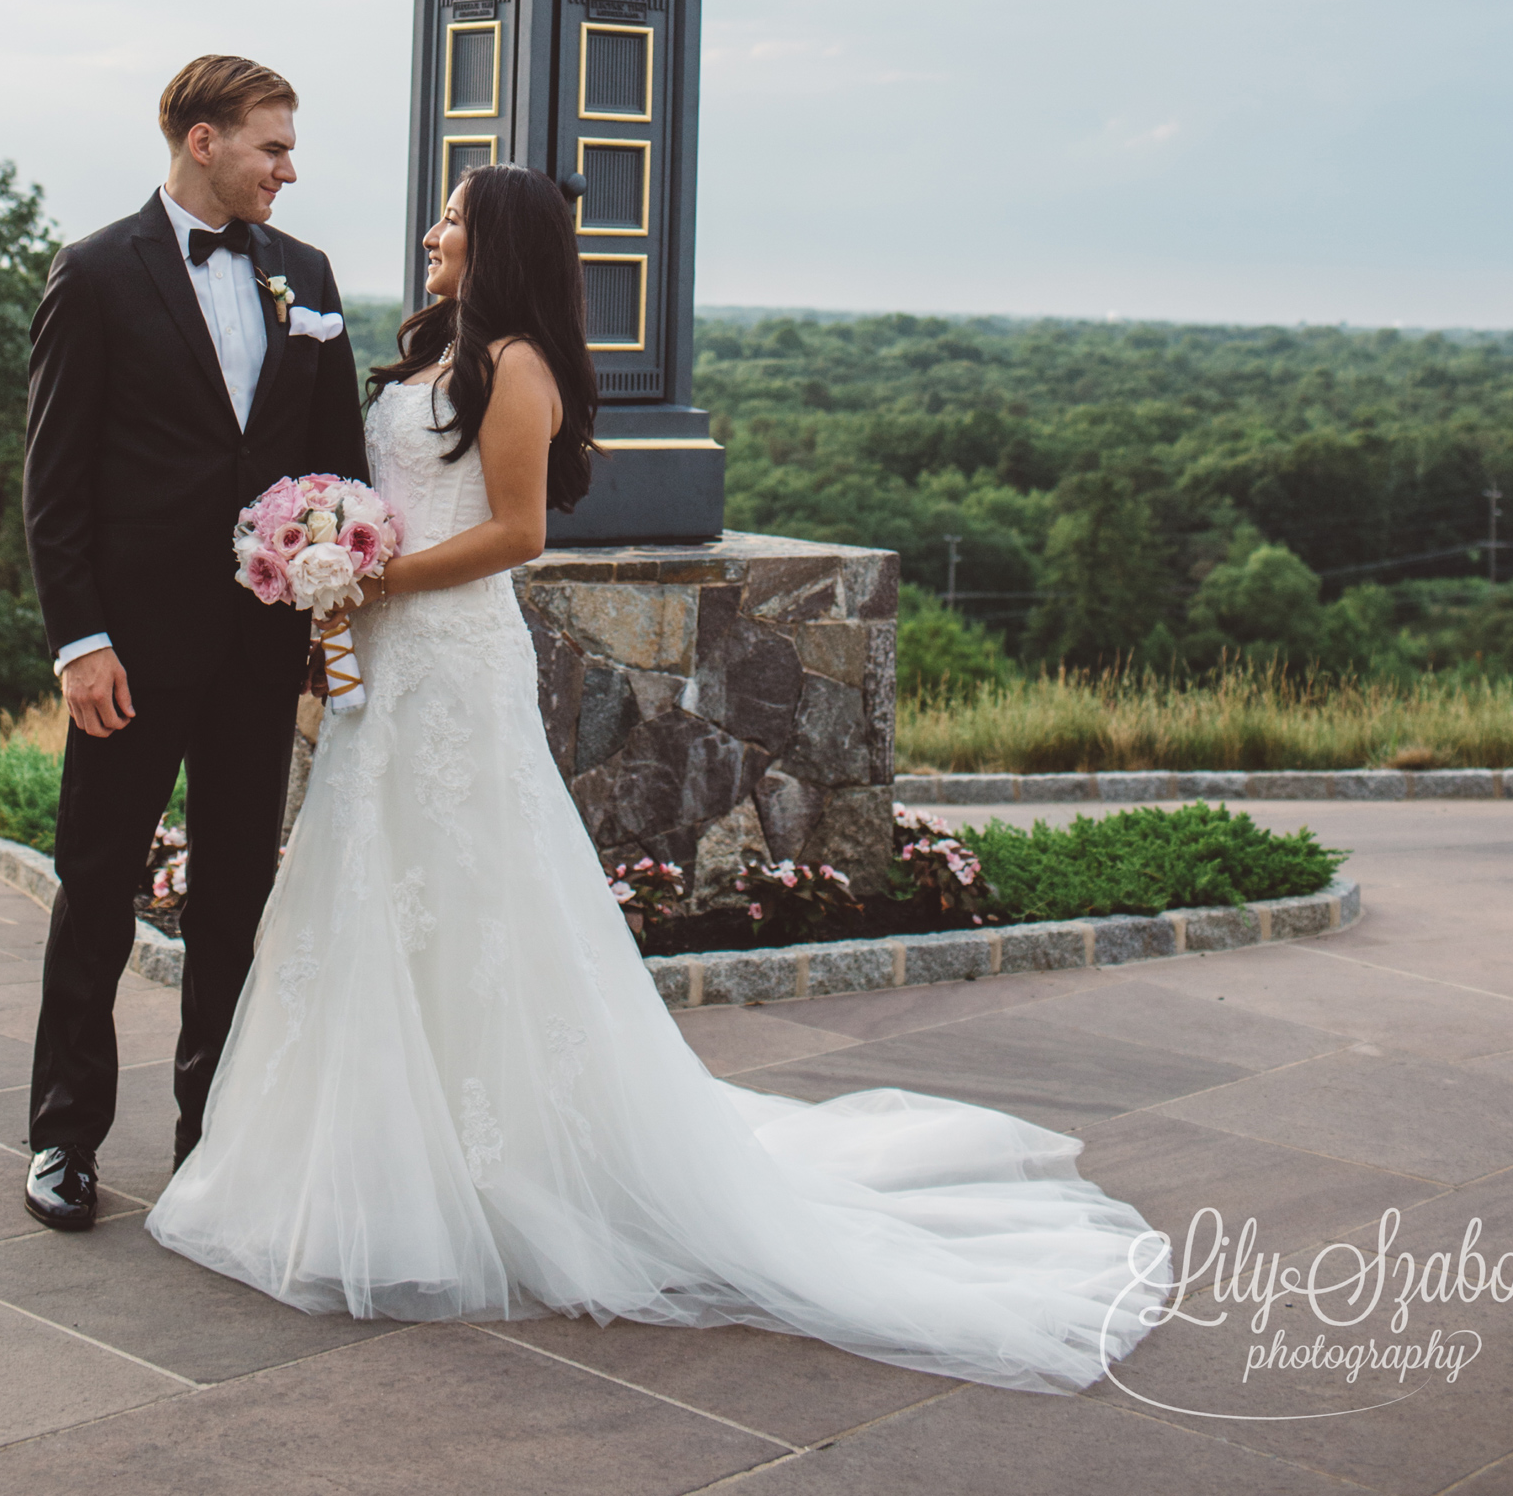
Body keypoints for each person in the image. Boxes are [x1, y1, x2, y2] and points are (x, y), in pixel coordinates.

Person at [146, 162, 1170, 1389]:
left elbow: (519, 536)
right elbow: (386, 501)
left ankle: (492, 1172)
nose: (434, 232)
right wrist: (328, 570)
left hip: (453, 663)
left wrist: (369, 579)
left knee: (470, 900)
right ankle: (361, 1158)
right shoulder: (427, 354)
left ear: (501, 244)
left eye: (455, 221)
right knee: (364, 892)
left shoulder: (514, 364)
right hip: (387, 665)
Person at [19, 53, 367, 1231]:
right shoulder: (96, 272)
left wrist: (332, 615)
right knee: (97, 887)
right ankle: (64, 1137)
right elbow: (53, 485)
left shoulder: (306, 277)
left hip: (259, 649)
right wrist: (81, 643)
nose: (288, 168)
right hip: (131, 650)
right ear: (202, 140)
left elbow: (337, 472)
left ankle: (210, 1144)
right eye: (272, 145)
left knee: (234, 897)